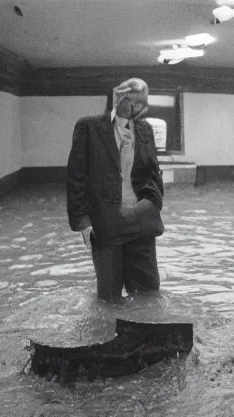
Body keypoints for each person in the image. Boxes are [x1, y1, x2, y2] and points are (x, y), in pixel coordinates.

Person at [67, 78, 165, 301]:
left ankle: (148, 331)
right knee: (109, 296)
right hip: (106, 222)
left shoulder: (145, 129)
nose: (142, 107)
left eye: (144, 101)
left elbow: (153, 171)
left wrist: (153, 202)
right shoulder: (88, 128)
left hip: (142, 220)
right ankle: (111, 332)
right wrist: (83, 223)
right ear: (120, 98)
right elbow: (76, 178)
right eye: (136, 101)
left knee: (148, 292)